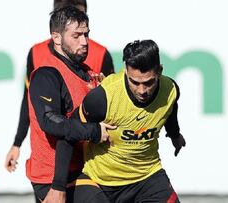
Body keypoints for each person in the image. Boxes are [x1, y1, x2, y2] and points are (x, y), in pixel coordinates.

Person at [57, 40, 186, 202]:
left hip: (147, 176)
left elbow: (170, 108)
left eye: (148, 83)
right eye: (135, 82)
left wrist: (174, 134)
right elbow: (69, 132)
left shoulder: (171, 89)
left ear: (159, 71)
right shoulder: (103, 98)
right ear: (125, 71)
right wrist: (58, 186)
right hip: (99, 180)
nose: (142, 91)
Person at [15, 6, 114, 203]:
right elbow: (51, 122)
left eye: (86, 35)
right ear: (57, 38)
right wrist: (94, 131)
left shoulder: (88, 73)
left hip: (83, 168)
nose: (85, 42)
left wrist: (108, 93)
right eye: (76, 36)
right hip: (52, 178)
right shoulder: (46, 74)